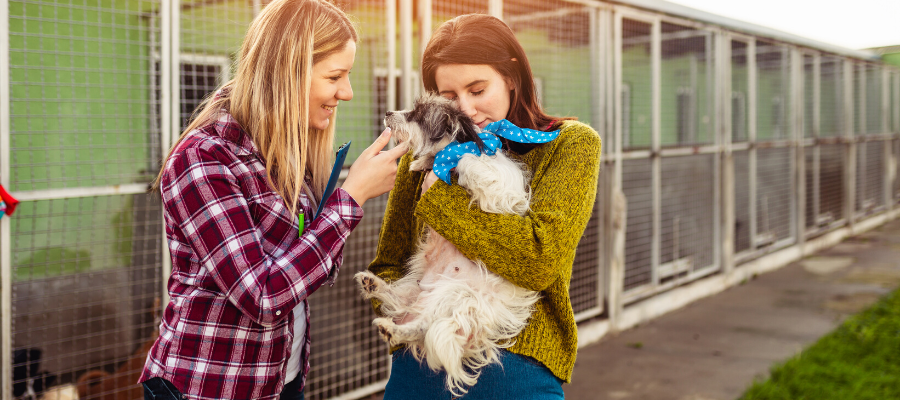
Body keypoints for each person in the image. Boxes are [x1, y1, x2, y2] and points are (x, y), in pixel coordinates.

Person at [139, 1, 408, 399]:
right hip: (211, 386)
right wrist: (350, 198)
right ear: (289, 72)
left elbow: (314, 270)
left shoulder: (283, 150)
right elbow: (263, 297)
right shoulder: (205, 157)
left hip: (281, 378)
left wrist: (334, 210)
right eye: (335, 76)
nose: (347, 93)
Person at [367, 13, 602, 400]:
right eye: (449, 97)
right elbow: (390, 260)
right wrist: (412, 322)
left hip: (515, 370)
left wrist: (440, 199)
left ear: (511, 77)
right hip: (419, 365)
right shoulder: (426, 151)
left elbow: (538, 259)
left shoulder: (570, 145)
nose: (466, 110)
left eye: (478, 90)